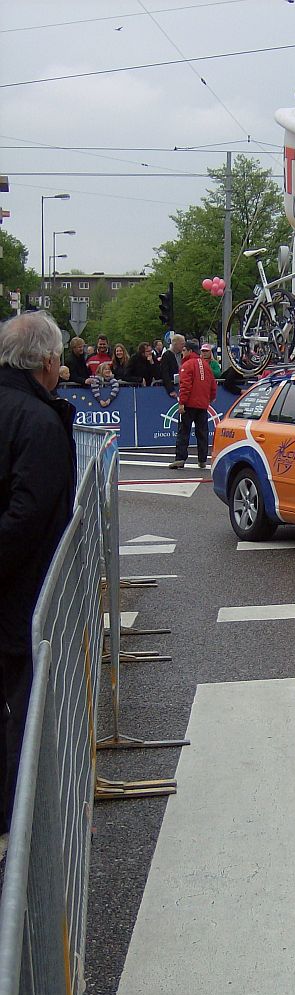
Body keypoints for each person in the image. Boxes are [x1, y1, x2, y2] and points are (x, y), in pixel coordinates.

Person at [0, 312, 75, 836]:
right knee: (20, 714)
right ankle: (18, 827)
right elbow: (30, 513)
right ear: (48, 362)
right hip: (20, 597)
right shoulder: (40, 422)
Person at [168, 339, 218, 469]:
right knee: (202, 432)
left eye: (184, 350)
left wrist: (181, 402)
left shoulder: (187, 365)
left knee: (184, 431)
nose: (182, 353)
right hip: (202, 404)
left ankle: (180, 458)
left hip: (189, 404)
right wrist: (211, 397)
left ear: (190, 351)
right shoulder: (206, 365)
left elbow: (185, 386)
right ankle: (202, 460)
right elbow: (212, 383)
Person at [160, 333, 185, 397]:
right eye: (182, 344)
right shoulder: (166, 355)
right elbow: (165, 373)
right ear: (175, 344)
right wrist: (170, 390)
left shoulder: (183, 354)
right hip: (173, 384)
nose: (184, 346)